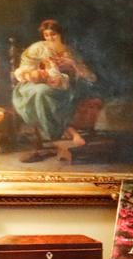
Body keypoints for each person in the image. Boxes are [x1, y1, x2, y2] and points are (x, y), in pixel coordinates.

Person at [11, 18, 98, 163]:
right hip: (34, 85)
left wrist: (72, 65)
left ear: (60, 34)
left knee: (49, 93)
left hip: (65, 87)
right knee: (41, 92)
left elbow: (90, 77)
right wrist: (37, 73)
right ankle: (61, 134)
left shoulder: (69, 51)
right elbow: (24, 68)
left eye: (53, 34)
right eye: (46, 35)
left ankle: (57, 136)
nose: (50, 38)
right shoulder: (38, 48)